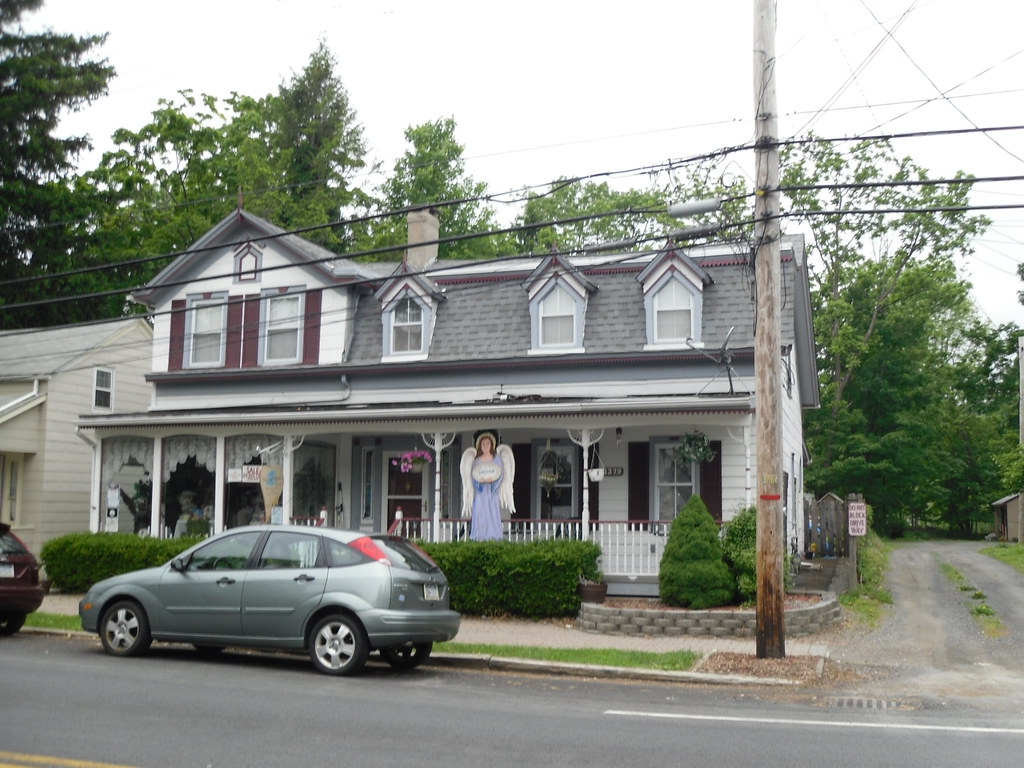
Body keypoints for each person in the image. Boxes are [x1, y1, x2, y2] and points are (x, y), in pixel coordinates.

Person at [460, 432, 515, 541]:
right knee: (480, 513)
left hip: (491, 492)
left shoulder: (497, 459)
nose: (485, 446)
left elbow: (500, 474)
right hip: (481, 492)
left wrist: (493, 481)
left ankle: (493, 537)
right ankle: (479, 536)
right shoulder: (476, 460)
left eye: (488, 443)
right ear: (480, 446)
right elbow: (473, 475)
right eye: (483, 444)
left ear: (492, 445)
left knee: (492, 513)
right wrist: (479, 481)